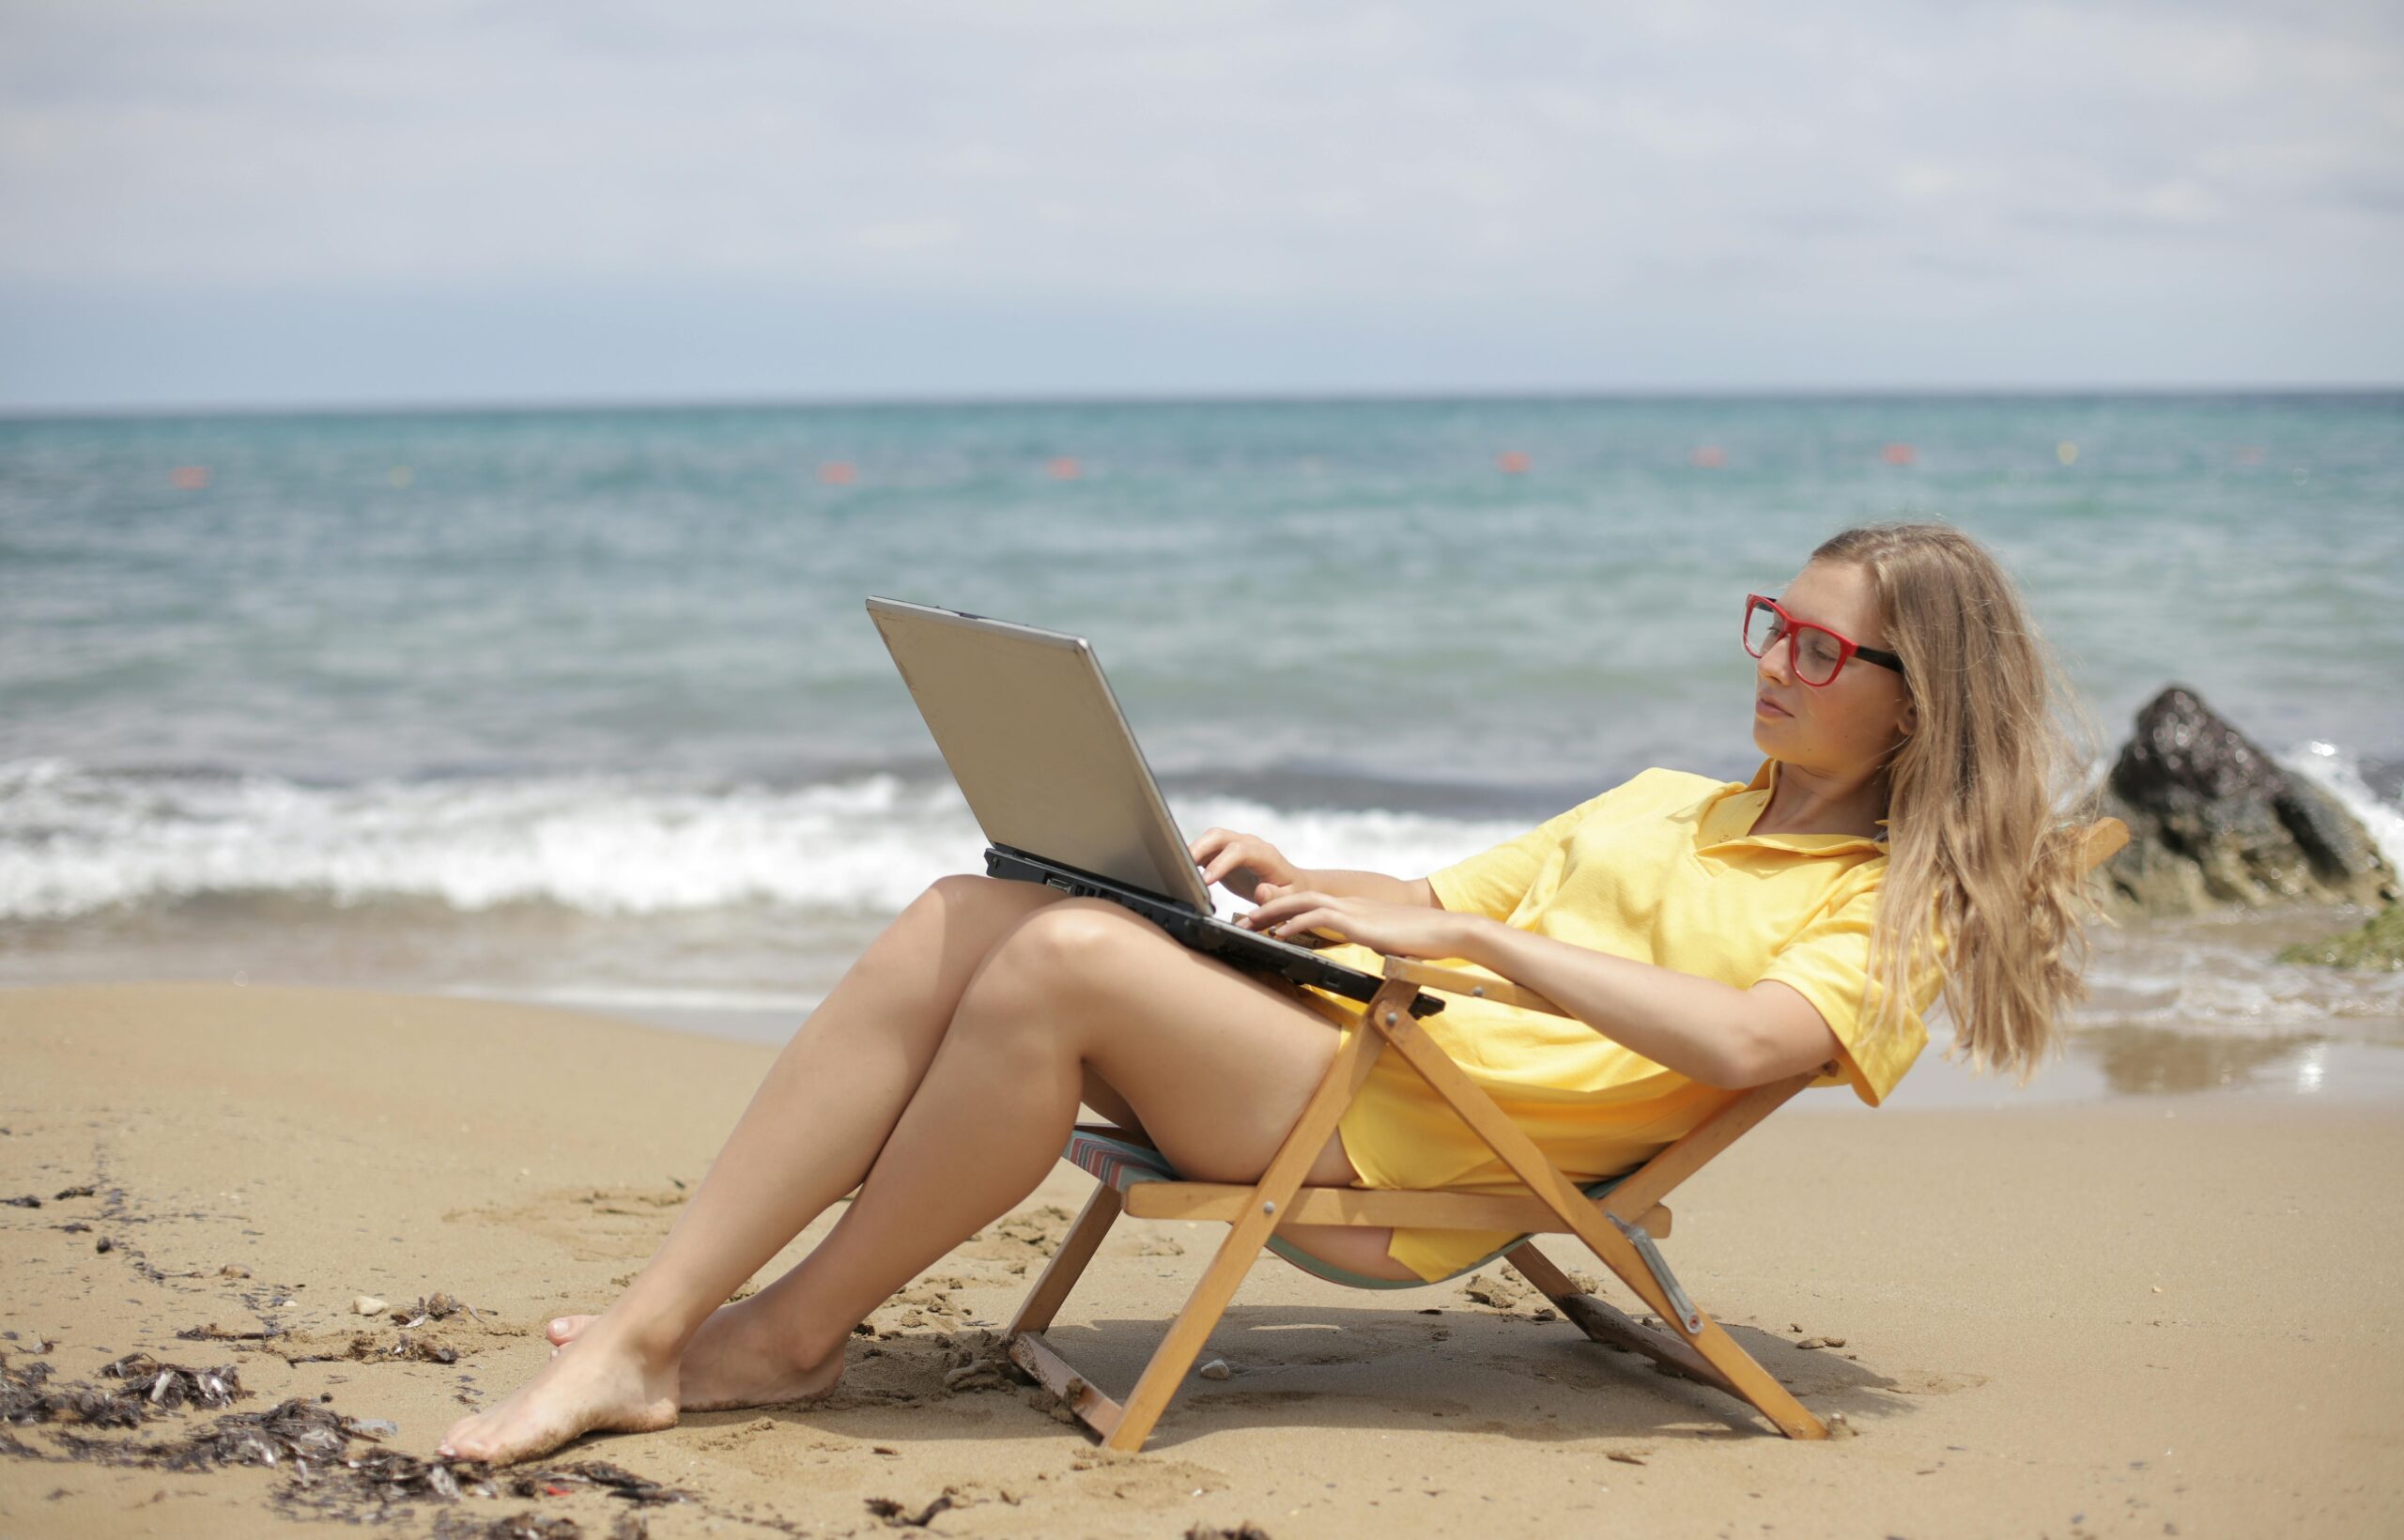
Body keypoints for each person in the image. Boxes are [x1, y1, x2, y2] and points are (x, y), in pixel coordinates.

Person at [439, 518, 2106, 1465]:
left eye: (1819, 652)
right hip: (1351, 1057)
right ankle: (681, 1321)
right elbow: (1430, 907)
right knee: (977, 903)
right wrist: (1281, 879)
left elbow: (1750, 1041)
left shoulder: (1896, 903)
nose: (1772, 666)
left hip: (1416, 1163)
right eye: (1771, 627)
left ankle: (772, 1336)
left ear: (1920, 696)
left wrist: (1486, 954)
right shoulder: (1669, 803)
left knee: (1071, 957)